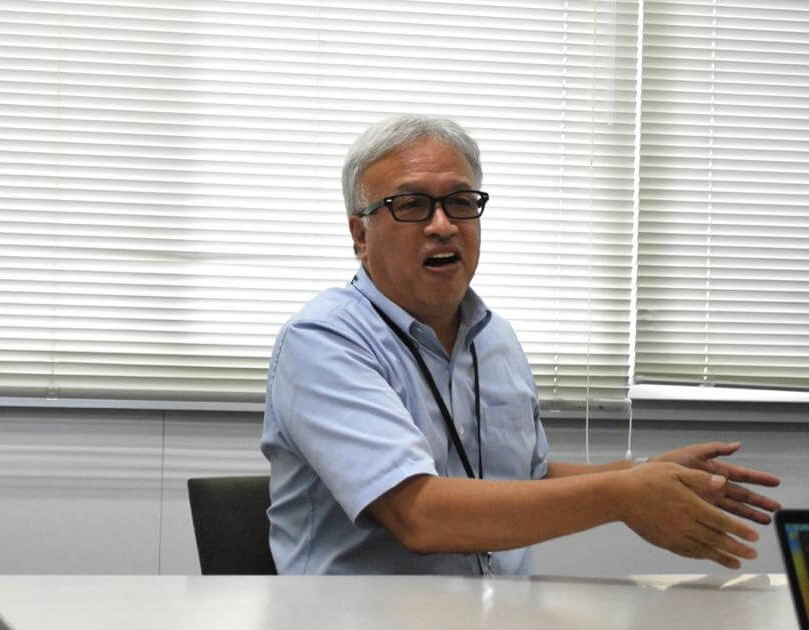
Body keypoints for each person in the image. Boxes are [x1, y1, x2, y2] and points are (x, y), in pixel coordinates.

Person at [259, 114, 782, 575]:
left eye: (460, 202)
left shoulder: (495, 338)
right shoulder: (322, 341)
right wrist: (623, 496)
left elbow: (526, 476)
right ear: (360, 235)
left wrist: (645, 474)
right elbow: (419, 514)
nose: (443, 226)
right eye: (412, 205)